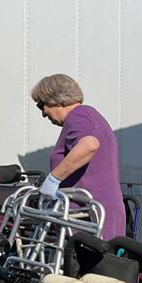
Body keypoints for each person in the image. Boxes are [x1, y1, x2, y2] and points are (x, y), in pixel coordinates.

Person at [32, 73, 125, 240]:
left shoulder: (78, 115)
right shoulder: (89, 116)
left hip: (89, 215)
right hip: (96, 212)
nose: (43, 114)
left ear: (55, 99)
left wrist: (54, 179)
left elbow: (89, 145)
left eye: (41, 106)